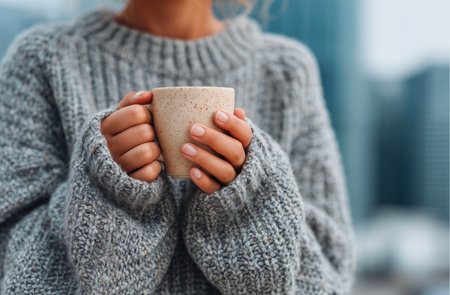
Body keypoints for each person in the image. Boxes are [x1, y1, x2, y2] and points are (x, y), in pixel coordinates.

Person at [0, 0, 356, 294]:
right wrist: (108, 187)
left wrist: (249, 194)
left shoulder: (287, 72)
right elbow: (14, 268)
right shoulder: (42, 59)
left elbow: (329, 277)